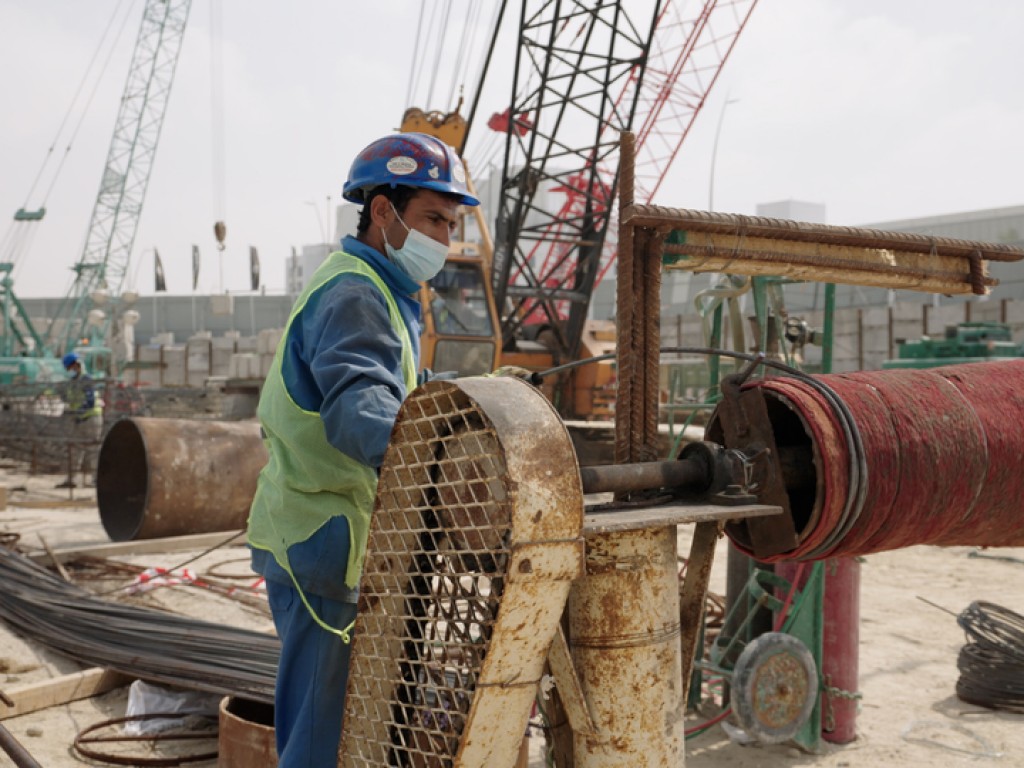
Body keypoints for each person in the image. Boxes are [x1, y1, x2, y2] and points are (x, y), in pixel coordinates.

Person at [246, 132, 479, 767]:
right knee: (322, 740)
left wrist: (469, 399)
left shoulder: (381, 289)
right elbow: (362, 415)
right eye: (433, 219)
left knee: (354, 730)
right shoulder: (355, 294)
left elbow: (394, 390)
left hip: (335, 538)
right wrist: (448, 470)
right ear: (382, 211)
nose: (445, 238)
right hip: (324, 542)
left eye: (451, 224)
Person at [58, 351, 103, 488]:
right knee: (75, 450)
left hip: (91, 418)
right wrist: (62, 395)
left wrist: (77, 411)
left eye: (70, 368)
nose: (69, 371)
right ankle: (71, 480)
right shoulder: (72, 382)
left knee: (92, 450)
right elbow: (71, 399)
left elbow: (90, 401)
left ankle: (96, 480)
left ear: (76, 365)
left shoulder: (86, 379)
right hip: (79, 419)